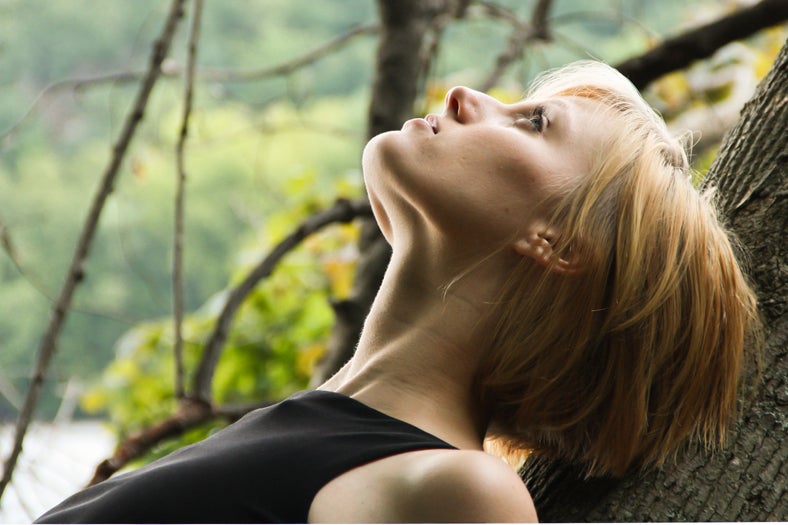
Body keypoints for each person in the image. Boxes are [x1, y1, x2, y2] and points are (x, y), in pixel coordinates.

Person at [36, 60, 760, 523]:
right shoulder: (314, 433)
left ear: (563, 243)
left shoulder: (458, 494)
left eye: (535, 123)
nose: (465, 96)